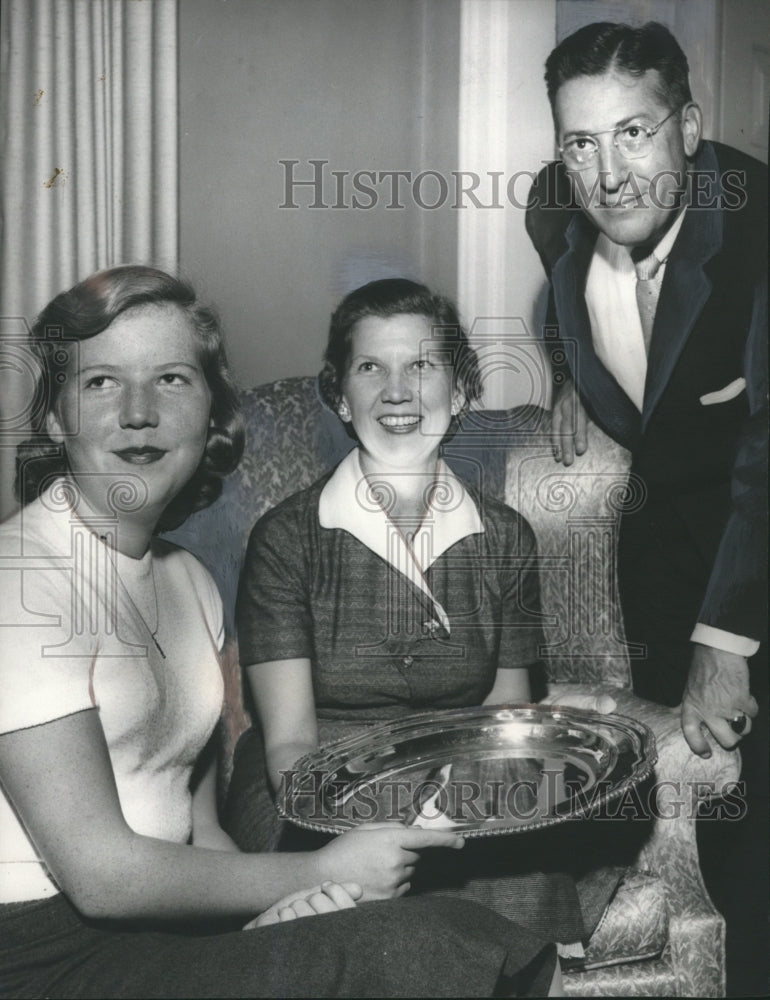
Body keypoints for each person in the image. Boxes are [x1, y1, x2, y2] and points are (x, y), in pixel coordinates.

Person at [0, 266, 560, 999]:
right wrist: (321, 871)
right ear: (52, 416)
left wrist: (284, 911)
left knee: (477, 947)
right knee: (433, 950)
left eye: (171, 379)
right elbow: (102, 877)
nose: (139, 413)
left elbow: (199, 829)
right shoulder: (22, 578)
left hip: (168, 924)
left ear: (212, 413)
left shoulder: (186, 580)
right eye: (101, 382)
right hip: (43, 950)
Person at [233, 276, 621, 958]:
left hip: (464, 783)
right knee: (355, 922)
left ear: (463, 390)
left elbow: (506, 714)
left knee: (522, 877)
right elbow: (288, 747)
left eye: (421, 365)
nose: (397, 390)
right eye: (370, 367)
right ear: (339, 396)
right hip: (314, 799)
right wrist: (386, 819)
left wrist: (458, 801)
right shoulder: (285, 539)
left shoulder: (505, 536)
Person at [525, 21, 768, 994]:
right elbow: (566, 294)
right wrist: (571, 379)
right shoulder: (551, 211)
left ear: (689, 129)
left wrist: (726, 640)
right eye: (578, 141)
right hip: (669, 562)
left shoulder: (754, 235)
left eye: (633, 132)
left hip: (750, 569)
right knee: (725, 836)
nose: (604, 172)